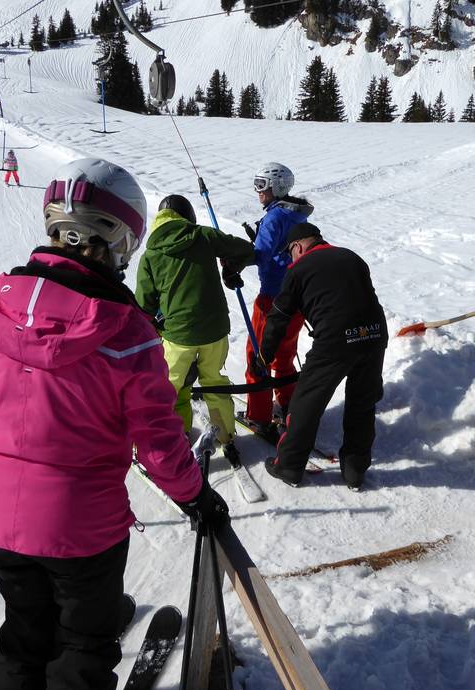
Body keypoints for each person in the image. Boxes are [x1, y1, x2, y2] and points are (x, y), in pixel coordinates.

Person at [0, 158, 227, 690]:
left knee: (23, 638)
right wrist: (195, 495)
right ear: (119, 241)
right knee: (82, 650)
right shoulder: (127, 332)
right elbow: (158, 441)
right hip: (82, 529)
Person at [261, 223, 387, 491]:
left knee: (307, 402)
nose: (290, 259)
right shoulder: (351, 256)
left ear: (297, 247)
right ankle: (354, 471)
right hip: (374, 333)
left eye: (289, 253)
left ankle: (289, 466)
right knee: (362, 403)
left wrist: (264, 354)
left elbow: (278, 317)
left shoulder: (298, 269)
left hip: (335, 339)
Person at [135, 194, 254, 465]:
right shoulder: (204, 236)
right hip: (215, 330)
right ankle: (226, 435)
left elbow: (144, 304)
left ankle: (171, 438)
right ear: (188, 216)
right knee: (215, 382)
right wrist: (230, 266)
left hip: (178, 335)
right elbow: (245, 250)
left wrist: (152, 328)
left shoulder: (151, 254)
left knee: (170, 388)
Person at [239, 162, 314, 442]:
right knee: (284, 356)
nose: (258, 191)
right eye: (256, 184)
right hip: (297, 299)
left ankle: (259, 417)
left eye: (262, 185)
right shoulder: (297, 215)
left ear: (278, 187)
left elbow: (259, 255)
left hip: (272, 299)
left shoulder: (274, 218)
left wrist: (234, 258)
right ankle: (289, 407)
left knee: (258, 357)